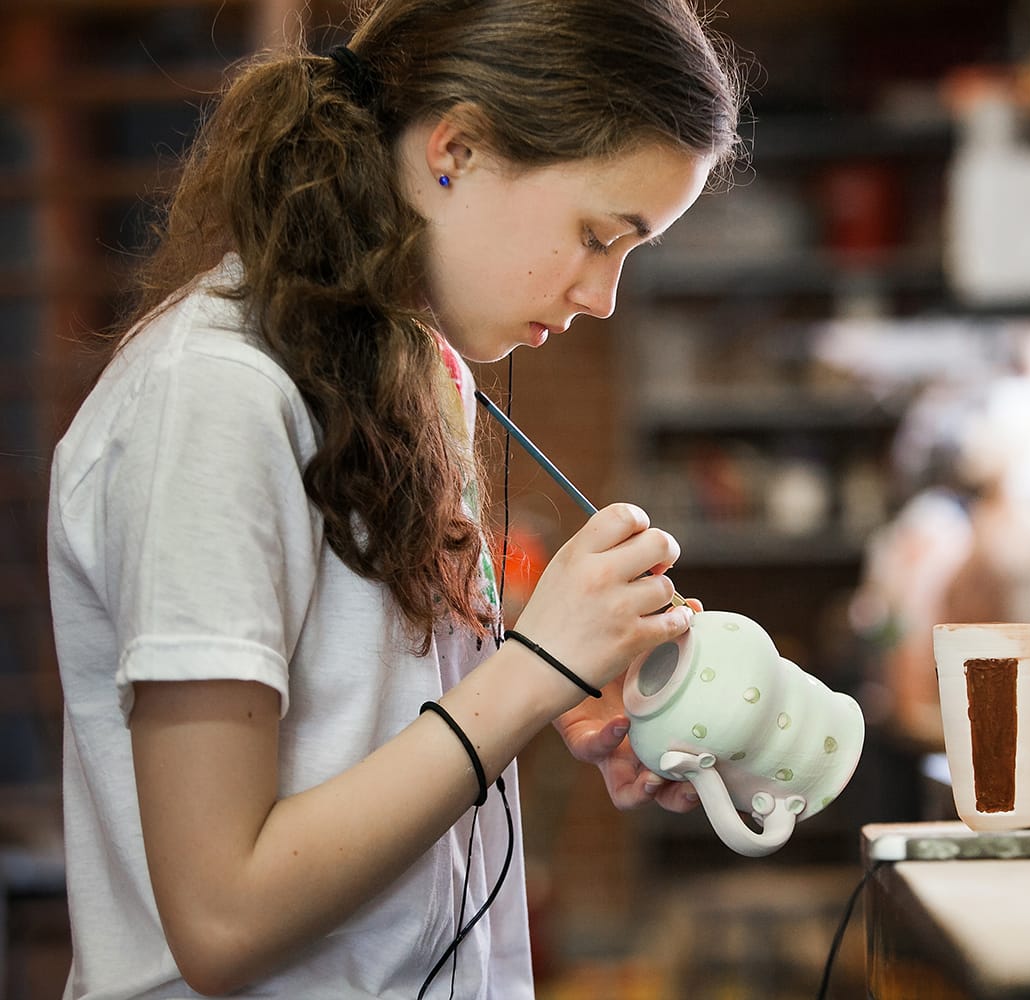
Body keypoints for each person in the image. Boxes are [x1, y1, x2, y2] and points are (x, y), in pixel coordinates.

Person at [46, 1, 744, 996]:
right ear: (455, 148)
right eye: (599, 235)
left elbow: (370, 726)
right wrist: (530, 675)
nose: (604, 297)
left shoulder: (413, 372)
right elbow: (219, 916)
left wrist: (570, 692)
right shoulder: (214, 400)